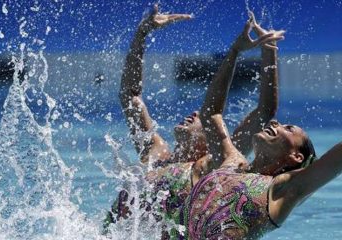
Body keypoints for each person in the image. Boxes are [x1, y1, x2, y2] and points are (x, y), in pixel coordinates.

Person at [105, 4, 283, 237]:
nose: (193, 114)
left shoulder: (220, 162)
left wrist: (268, 50)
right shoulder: (155, 154)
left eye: (200, 117)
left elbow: (264, 111)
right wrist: (141, 34)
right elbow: (130, 96)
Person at [175, 12, 342, 240]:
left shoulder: (283, 189)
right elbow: (211, 113)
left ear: (296, 157)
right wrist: (234, 52)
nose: (275, 123)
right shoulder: (230, 161)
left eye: (289, 128)